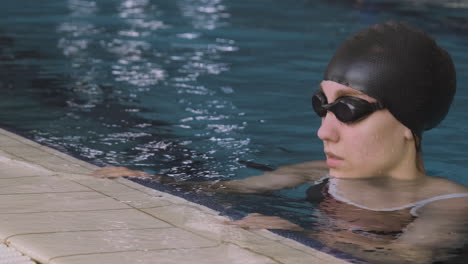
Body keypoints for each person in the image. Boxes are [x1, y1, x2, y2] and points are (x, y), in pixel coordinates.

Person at [92, 21, 468, 263]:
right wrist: (153, 181)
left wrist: (300, 234)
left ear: (409, 123)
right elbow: (231, 189)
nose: (324, 131)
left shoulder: (449, 204)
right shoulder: (317, 173)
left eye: (350, 110)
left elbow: (408, 256)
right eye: (323, 106)